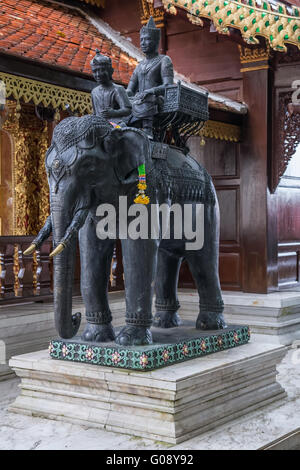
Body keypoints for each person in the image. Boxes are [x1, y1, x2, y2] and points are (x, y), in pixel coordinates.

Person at [127, 16, 174, 138]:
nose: (143, 43)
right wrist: (121, 93)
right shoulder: (139, 65)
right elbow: (130, 90)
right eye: (141, 40)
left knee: (149, 98)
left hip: (157, 99)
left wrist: (151, 90)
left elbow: (168, 85)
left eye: (147, 39)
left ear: (155, 41)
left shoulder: (164, 60)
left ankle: (148, 129)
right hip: (139, 99)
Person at [90, 50, 131, 125]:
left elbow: (127, 110)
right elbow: (95, 113)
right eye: (95, 71)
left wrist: (114, 113)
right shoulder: (94, 92)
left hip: (116, 124)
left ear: (110, 71)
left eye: (102, 70)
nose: (98, 74)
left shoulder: (118, 89)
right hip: (99, 125)